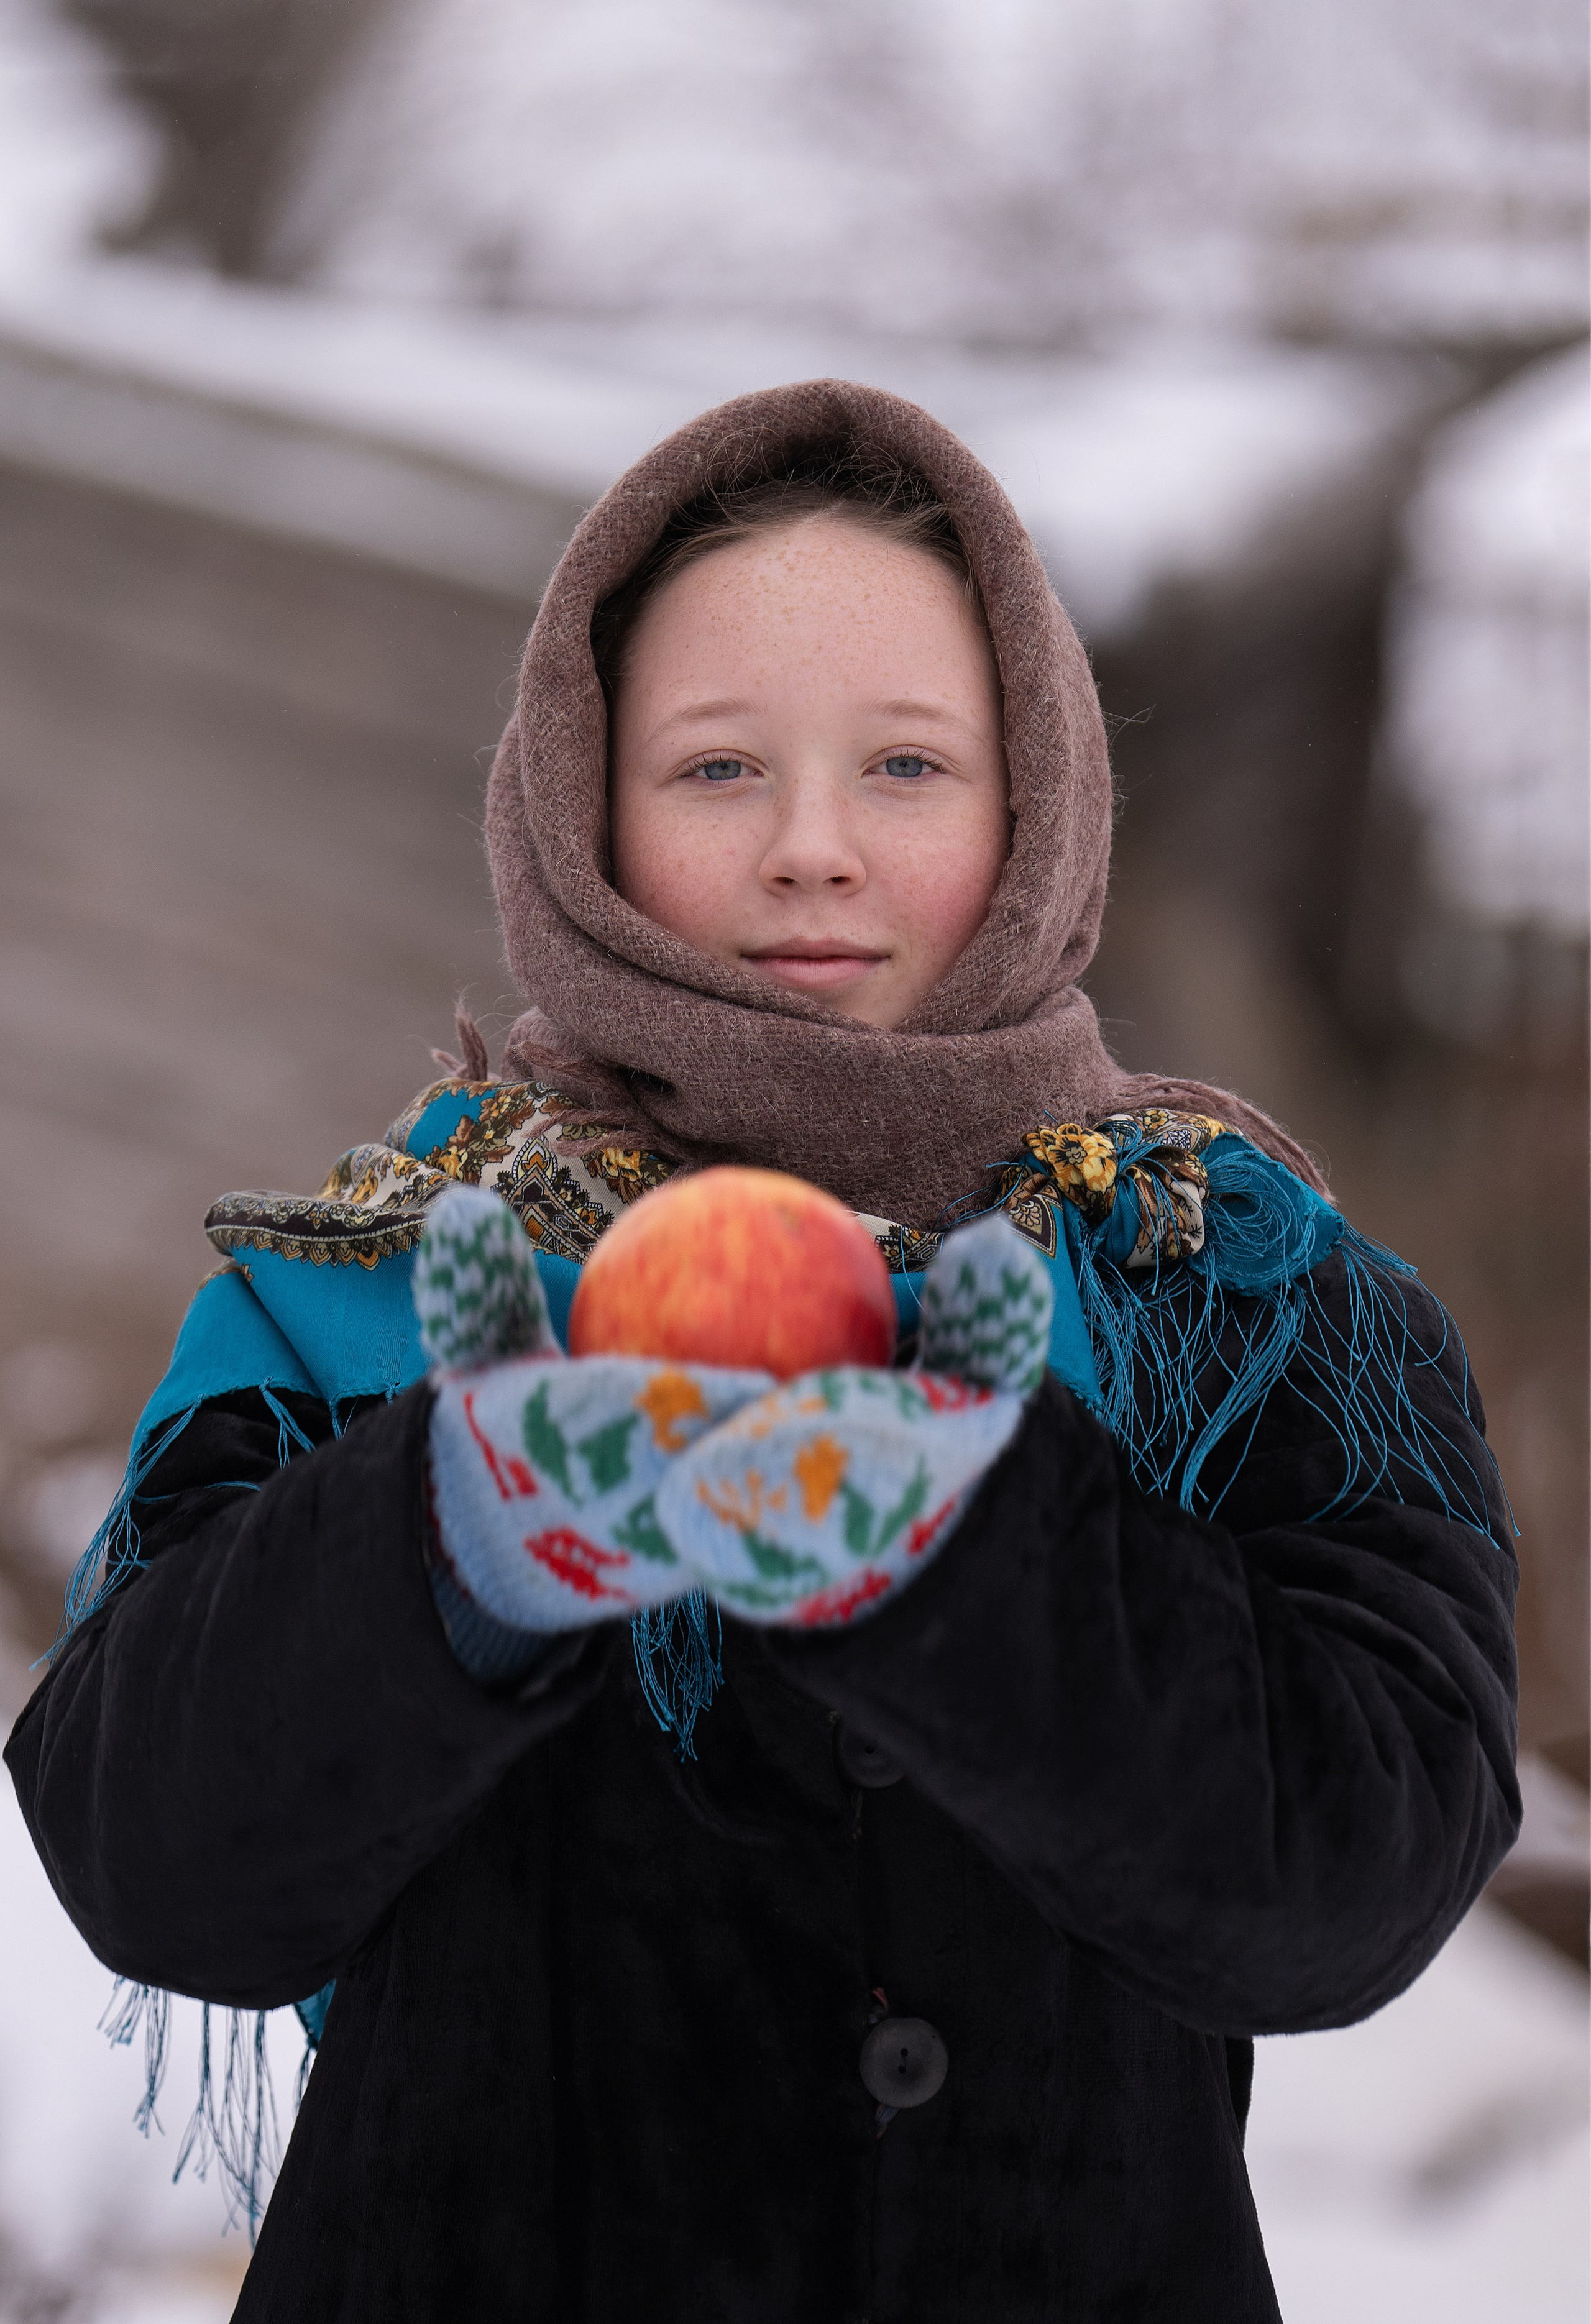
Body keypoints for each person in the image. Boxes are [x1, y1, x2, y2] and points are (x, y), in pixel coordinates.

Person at [6, 382, 1518, 2323]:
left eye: (906, 766)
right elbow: (152, 1861)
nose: (814, 848)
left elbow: (1356, 1874)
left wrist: (973, 1567)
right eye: (721, 769)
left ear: (1035, 797)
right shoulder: (392, 1281)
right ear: (585, 802)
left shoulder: (1231, 1293)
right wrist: (449, 1540)